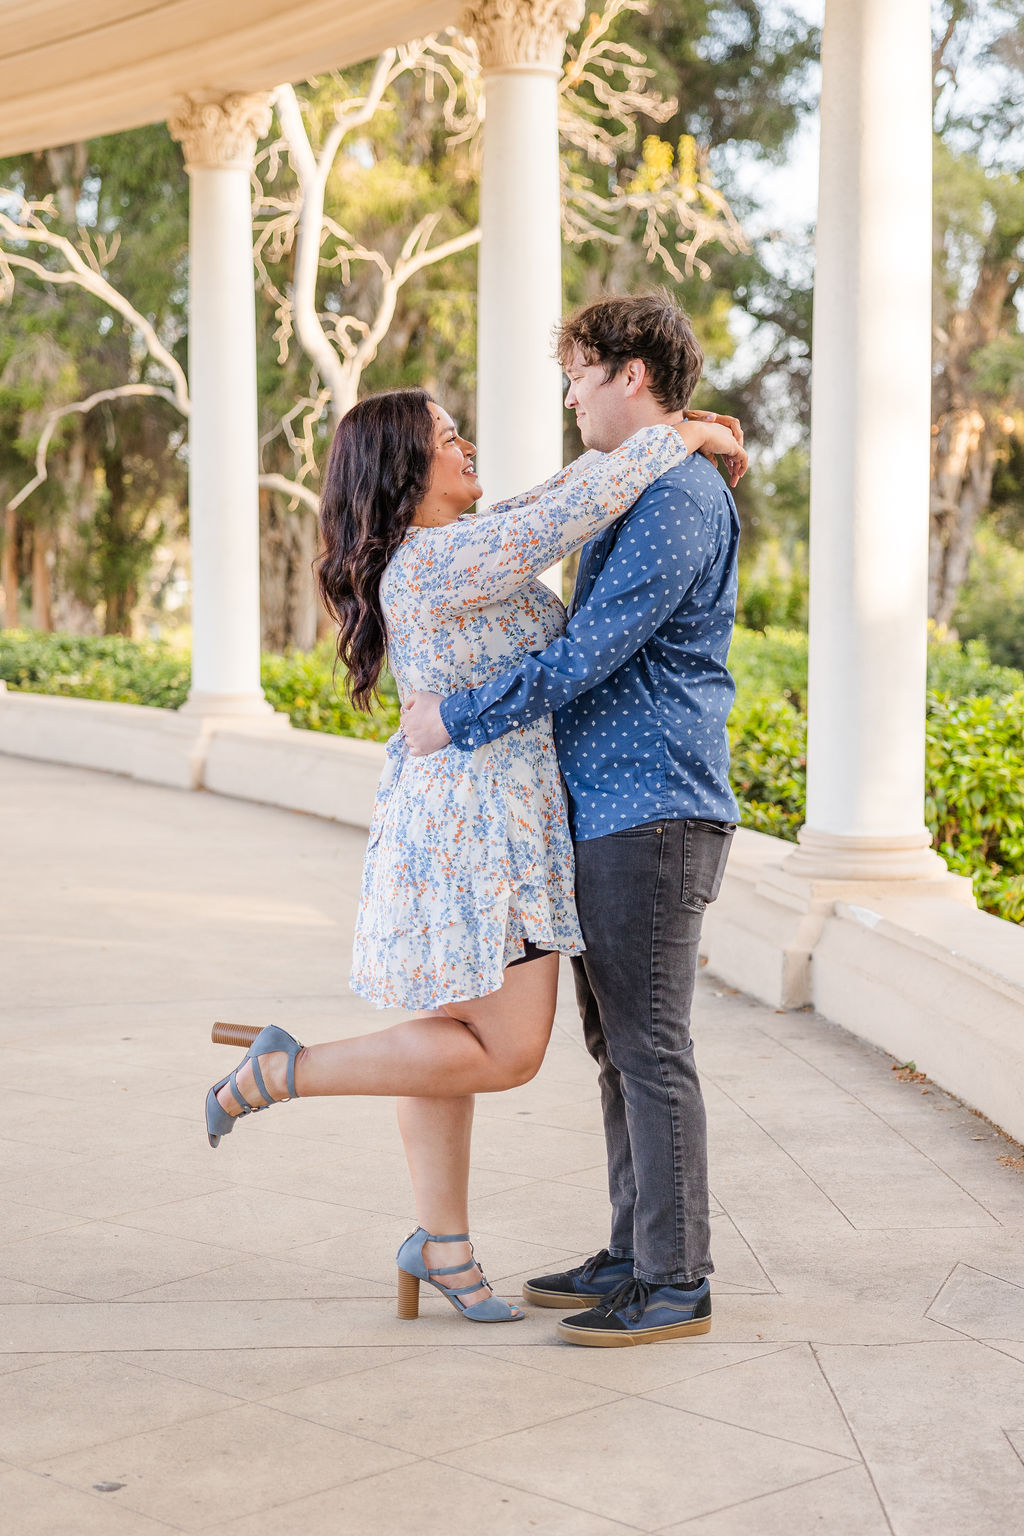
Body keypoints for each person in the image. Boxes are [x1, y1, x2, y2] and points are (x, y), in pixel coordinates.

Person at [204, 384, 745, 1329]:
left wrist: (660, 443)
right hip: (476, 831)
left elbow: (549, 500)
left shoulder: (453, 550)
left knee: (451, 1042)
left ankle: (441, 1244)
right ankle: (284, 1070)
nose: (466, 446)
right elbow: (570, 513)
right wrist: (678, 435)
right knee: (505, 1050)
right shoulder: (433, 564)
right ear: (405, 474)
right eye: (446, 438)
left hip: (479, 821)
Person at [400, 293, 742, 1347]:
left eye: (578, 376)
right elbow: (543, 518)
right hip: (611, 810)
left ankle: (675, 1278)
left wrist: (453, 718)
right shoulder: (630, 489)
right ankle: (634, 1249)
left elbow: (588, 653)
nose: (568, 396)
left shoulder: (676, 498)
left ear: (630, 376)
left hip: (653, 811)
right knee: (618, 1043)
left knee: (649, 1046)